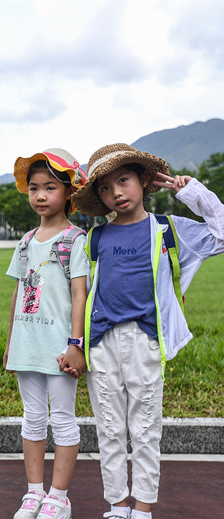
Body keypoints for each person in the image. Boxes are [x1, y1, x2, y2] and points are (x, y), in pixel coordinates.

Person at [70, 143, 224, 519]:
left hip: (146, 341)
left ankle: (142, 509)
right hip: (102, 345)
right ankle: (117, 506)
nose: (116, 193)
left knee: (145, 430)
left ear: (142, 180)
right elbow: (80, 294)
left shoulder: (167, 230)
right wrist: (76, 344)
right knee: (108, 429)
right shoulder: (94, 239)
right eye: (105, 188)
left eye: (123, 180)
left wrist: (191, 192)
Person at [3, 150, 88, 519]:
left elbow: (79, 295)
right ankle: (34, 492)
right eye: (34, 188)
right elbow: (18, 294)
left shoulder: (75, 240)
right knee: (32, 418)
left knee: (63, 420)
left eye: (49, 187)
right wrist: (10, 345)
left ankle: (59, 496)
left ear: (68, 192)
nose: (40, 195)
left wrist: (75, 345)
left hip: (60, 349)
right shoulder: (25, 242)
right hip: (27, 346)